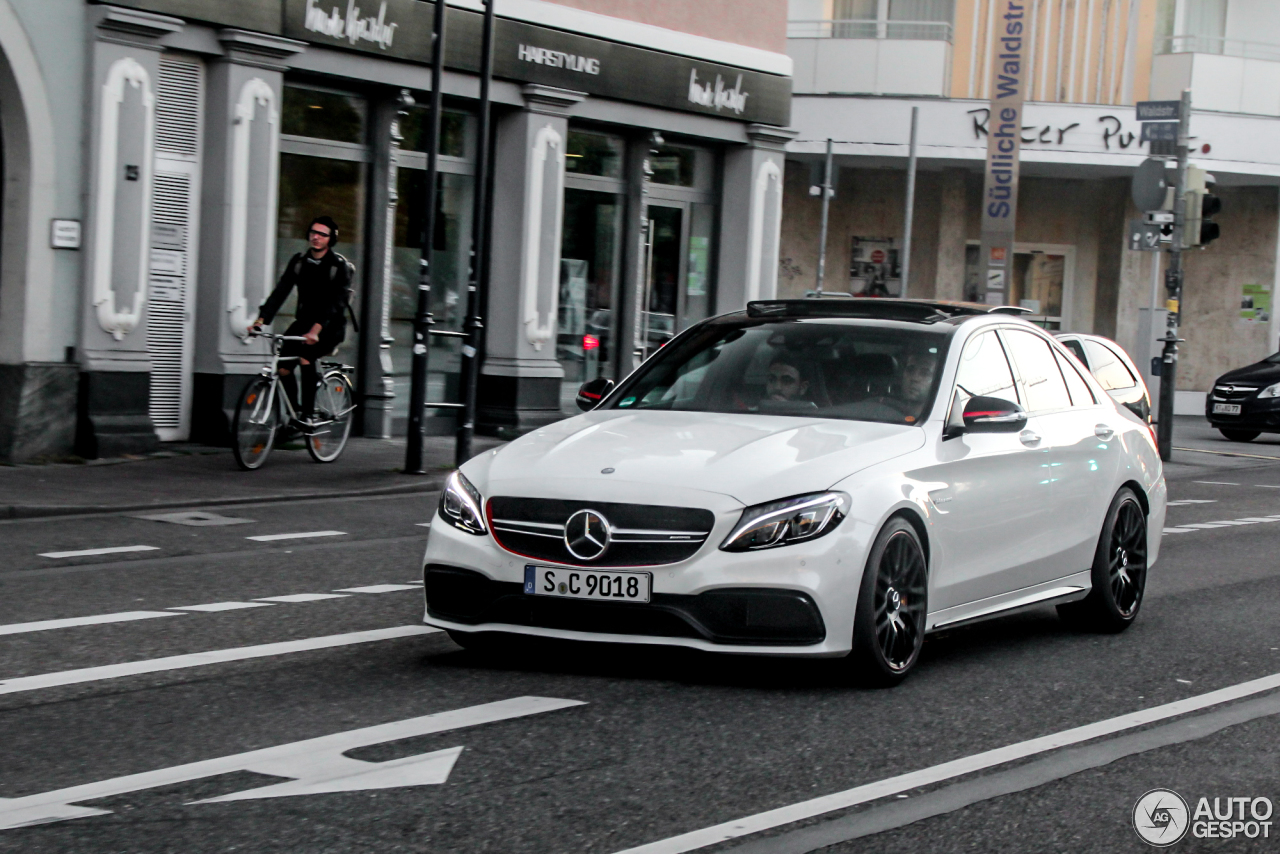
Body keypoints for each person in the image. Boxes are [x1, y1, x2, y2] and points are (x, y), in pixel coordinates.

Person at [250, 216, 356, 427]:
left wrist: (316, 330)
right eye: (313, 232)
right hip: (304, 323)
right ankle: (294, 414)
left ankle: (307, 414)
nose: (316, 237)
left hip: (330, 326)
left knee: (306, 356)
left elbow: (335, 304)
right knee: (282, 366)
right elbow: (280, 292)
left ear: (330, 239)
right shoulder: (299, 262)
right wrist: (260, 321)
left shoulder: (338, 267)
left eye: (322, 234)